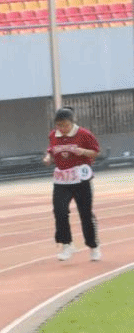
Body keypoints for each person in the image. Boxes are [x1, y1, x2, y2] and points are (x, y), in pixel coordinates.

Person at [42, 106, 101, 262]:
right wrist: (48, 158)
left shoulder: (84, 134)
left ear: (72, 122)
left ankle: (93, 246)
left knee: (85, 213)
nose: (62, 129)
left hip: (81, 179)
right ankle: (66, 244)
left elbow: (95, 152)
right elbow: (51, 151)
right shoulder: (53, 135)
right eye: (59, 125)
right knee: (59, 211)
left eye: (65, 125)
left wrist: (83, 151)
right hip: (62, 180)